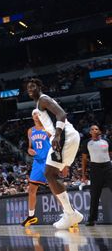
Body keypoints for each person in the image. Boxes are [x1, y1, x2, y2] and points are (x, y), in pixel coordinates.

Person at [26, 78, 83, 229]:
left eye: (33, 86)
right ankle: (70, 213)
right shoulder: (39, 105)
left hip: (64, 136)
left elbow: (61, 114)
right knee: (51, 174)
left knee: (50, 174)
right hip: (67, 137)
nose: (30, 89)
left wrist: (57, 135)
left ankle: (71, 214)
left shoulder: (43, 100)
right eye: (28, 88)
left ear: (39, 87)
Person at [22, 110, 51, 226]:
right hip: (37, 162)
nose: (36, 115)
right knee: (31, 190)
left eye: (38, 113)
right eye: (34, 113)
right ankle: (31, 216)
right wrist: (29, 151)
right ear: (32, 116)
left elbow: (56, 144)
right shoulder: (30, 131)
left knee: (56, 189)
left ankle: (69, 213)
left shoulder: (48, 129)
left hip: (48, 161)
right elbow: (30, 147)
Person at [80, 124, 112, 226]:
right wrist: (83, 174)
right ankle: (91, 219)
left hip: (108, 168)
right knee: (94, 195)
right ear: (90, 132)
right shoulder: (86, 143)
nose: (94, 130)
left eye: (96, 129)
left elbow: (110, 154)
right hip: (95, 169)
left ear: (100, 131)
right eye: (92, 129)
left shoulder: (107, 142)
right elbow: (84, 159)